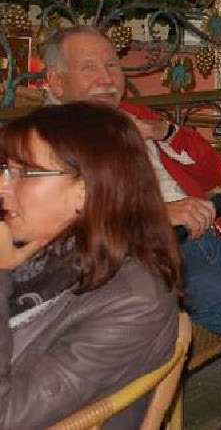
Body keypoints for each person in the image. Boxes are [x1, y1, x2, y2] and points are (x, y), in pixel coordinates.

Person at [42, 26, 221, 408]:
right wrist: (158, 216)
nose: (107, 79)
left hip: (210, 239)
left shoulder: (130, 116)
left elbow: (213, 172)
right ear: (56, 81)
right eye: (89, 68)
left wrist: (163, 130)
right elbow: (70, 230)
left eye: (113, 65)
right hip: (152, 263)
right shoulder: (45, 145)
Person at [0, 102, 181, 429]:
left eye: (24, 172)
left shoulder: (134, 302)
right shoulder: (34, 256)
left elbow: (9, 416)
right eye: (5, 170)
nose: (3, 187)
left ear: (85, 191)